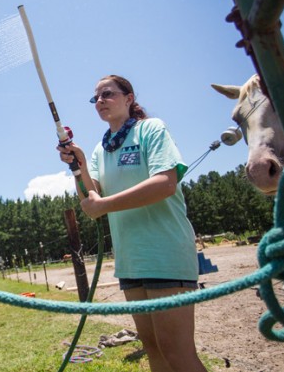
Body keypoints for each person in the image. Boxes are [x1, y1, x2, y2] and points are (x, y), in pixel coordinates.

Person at [58, 75, 206, 372]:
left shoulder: (151, 129)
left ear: (129, 98)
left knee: (177, 354)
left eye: (107, 94)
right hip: (130, 260)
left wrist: (103, 206)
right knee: (153, 349)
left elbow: (165, 184)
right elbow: (92, 195)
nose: (100, 101)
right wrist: (79, 167)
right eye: (96, 98)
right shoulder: (102, 149)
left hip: (164, 253)